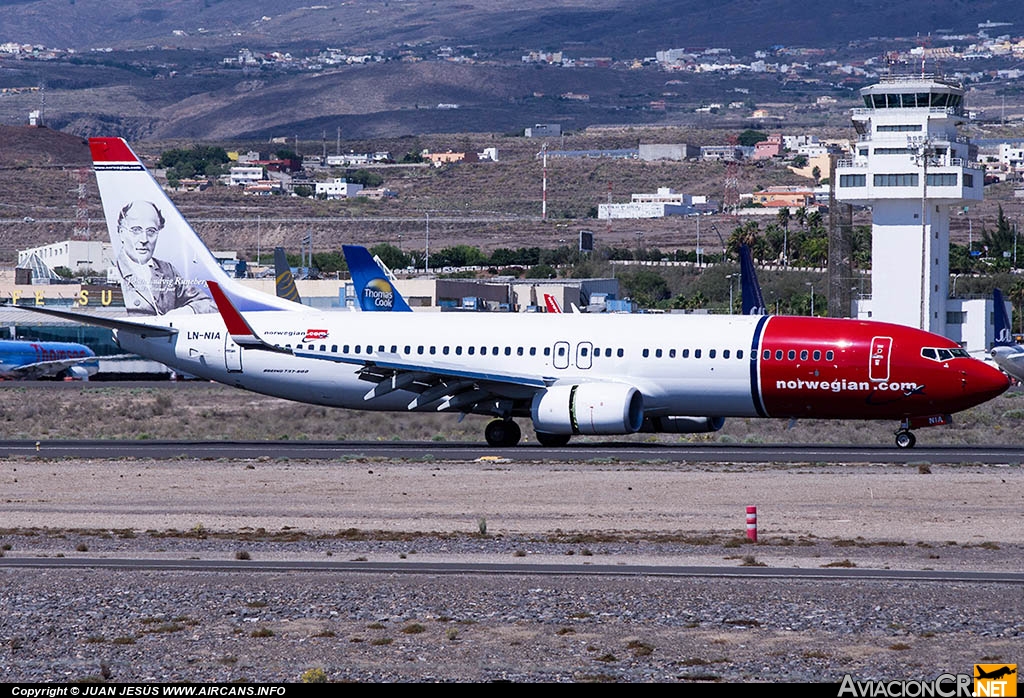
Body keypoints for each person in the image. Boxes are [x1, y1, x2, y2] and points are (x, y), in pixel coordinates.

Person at [113, 200, 217, 316]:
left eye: (151, 231)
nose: (144, 239)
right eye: (136, 230)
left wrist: (188, 311)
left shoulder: (167, 270)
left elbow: (209, 304)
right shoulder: (115, 271)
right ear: (121, 233)